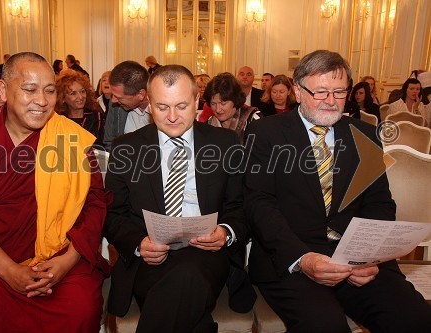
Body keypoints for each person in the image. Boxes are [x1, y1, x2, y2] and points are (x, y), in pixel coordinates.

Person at [244, 49, 431, 333]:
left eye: (339, 91)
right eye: (320, 92)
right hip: (293, 261)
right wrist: (304, 259)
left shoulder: (364, 134)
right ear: (297, 90)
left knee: (414, 317)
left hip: (358, 263)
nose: (331, 101)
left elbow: (379, 202)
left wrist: (367, 256)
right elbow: (259, 205)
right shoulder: (265, 134)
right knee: (325, 326)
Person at [0, 52, 111, 331]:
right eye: (30, 89)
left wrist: (67, 261)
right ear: (3, 90)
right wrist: (9, 270)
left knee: (80, 310)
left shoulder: (69, 138)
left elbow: (95, 203)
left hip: (61, 261)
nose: (42, 100)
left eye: (49, 90)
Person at [104, 64, 255, 333]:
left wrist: (226, 233)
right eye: (162, 107)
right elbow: (113, 215)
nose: (172, 117)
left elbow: (241, 207)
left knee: (187, 275)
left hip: (208, 254)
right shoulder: (127, 147)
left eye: (182, 106)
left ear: (197, 100)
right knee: (188, 295)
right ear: (149, 104)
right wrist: (139, 244)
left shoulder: (226, 143)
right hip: (148, 260)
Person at [102, 60, 151, 151]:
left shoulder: (163, 110)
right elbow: (110, 142)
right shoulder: (116, 106)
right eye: (113, 95)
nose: (113, 101)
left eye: (118, 97)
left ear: (140, 94)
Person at [204, 72, 261, 143]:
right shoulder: (209, 124)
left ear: (235, 100)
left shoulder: (253, 119)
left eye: (223, 103)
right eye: (213, 104)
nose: (218, 109)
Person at [55, 69, 105, 147]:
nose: (80, 97)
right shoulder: (58, 121)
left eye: (82, 91)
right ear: (62, 98)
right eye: (73, 93)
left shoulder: (97, 118)